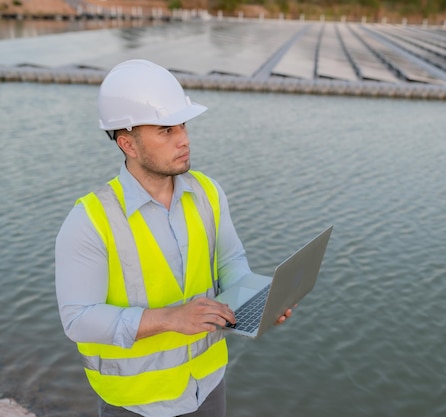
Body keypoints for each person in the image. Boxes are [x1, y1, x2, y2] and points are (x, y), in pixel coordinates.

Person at [55, 59, 293, 417]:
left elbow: (230, 264)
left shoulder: (208, 193)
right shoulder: (90, 220)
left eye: (182, 124)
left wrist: (260, 300)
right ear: (128, 144)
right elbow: (77, 320)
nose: (184, 139)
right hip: (136, 404)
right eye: (166, 130)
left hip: (208, 388)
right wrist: (169, 318)